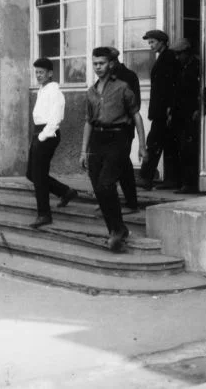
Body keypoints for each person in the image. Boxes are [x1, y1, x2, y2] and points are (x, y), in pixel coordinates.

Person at [80, 47, 148, 252]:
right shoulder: (91, 92)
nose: (98, 67)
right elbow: (88, 122)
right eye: (95, 64)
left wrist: (142, 145)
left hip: (118, 138)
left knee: (106, 184)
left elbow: (136, 115)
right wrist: (83, 151)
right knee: (98, 187)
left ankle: (117, 230)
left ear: (110, 64)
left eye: (101, 63)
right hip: (97, 139)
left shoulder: (122, 87)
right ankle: (116, 230)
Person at [26, 57, 78, 229]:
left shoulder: (55, 92)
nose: (38, 75)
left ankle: (44, 215)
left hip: (47, 134)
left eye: (41, 72)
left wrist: (41, 137)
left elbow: (55, 120)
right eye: (36, 72)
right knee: (31, 174)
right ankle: (65, 192)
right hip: (39, 133)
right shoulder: (42, 90)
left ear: (50, 73)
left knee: (39, 176)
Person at [138, 29, 178, 190]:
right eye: (149, 42)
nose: (151, 45)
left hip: (163, 111)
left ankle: (146, 178)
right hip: (160, 110)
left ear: (162, 42)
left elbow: (170, 86)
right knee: (164, 143)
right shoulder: (163, 57)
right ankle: (168, 179)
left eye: (153, 42)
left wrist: (169, 109)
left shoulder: (168, 58)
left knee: (154, 143)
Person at [105, 47, 139, 213]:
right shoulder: (106, 77)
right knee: (110, 165)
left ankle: (132, 204)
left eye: (106, 62)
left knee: (123, 164)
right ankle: (109, 201)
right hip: (107, 129)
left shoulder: (128, 76)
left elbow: (134, 104)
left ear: (113, 62)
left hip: (123, 128)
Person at [170, 38, 201, 194]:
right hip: (180, 114)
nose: (177, 57)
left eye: (179, 54)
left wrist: (198, 109)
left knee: (189, 148)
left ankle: (190, 183)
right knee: (182, 148)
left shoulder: (196, 67)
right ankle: (183, 181)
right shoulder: (183, 67)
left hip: (191, 114)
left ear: (187, 52)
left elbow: (198, 90)